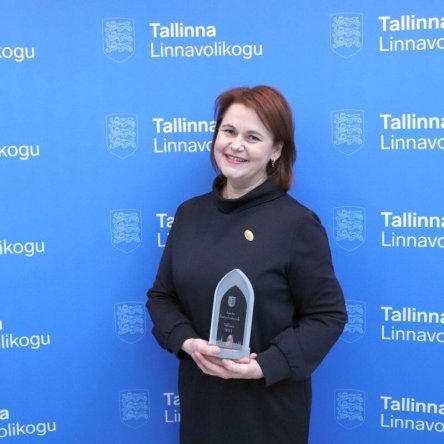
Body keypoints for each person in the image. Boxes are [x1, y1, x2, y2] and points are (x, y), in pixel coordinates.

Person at [147, 85, 347, 444]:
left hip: (267, 410)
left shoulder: (297, 225)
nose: (236, 145)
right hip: (202, 403)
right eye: (229, 131)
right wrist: (188, 342)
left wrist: (263, 366)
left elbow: (327, 316)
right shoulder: (189, 214)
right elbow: (162, 297)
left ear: (276, 150)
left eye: (253, 137)